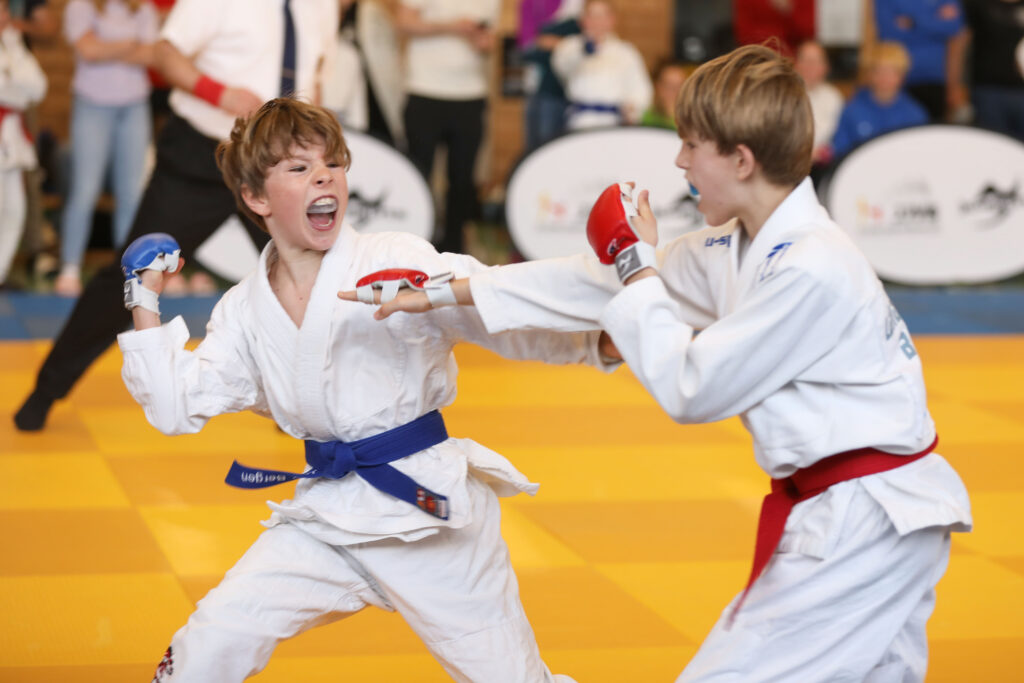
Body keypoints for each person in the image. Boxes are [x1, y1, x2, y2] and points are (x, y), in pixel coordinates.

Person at [345, 45, 972, 682]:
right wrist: (445, 288)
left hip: (867, 516)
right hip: (863, 512)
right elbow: (592, 283)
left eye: (691, 145)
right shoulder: (739, 245)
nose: (679, 162)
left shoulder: (810, 267)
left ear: (742, 160)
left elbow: (691, 388)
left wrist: (636, 263)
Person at [120, 97, 598, 682]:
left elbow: (486, 304)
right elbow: (176, 406)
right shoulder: (243, 309)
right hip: (328, 514)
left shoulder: (392, 258)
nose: (324, 177)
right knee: (214, 638)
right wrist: (143, 298)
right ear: (256, 197)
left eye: (333, 164)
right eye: (299, 168)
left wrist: (594, 340)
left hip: (427, 517)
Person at [13, 0, 337, 431]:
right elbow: (166, 53)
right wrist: (220, 94)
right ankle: (46, 390)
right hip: (203, 152)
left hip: (280, 164)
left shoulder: (322, 6)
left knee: (313, 278)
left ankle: (302, 401)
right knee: (133, 272)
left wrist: (314, 150)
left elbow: (315, 76)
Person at [54, 0, 160, 297]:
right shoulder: (82, 5)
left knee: (131, 192)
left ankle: (129, 270)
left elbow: (151, 54)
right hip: (92, 106)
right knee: (85, 189)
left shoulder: (142, 7)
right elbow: (88, 51)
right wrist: (131, 44)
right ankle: (70, 267)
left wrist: (106, 47)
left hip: (134, 106)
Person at [396, 0, 498, 255]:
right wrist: (453, 27)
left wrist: (482, 42)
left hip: (470, 95)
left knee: (463, 180)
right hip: (424, 91)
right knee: (419, 173)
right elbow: (404, 22)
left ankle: (454, 249)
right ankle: (414, 242)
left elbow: (490, 42)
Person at [0, 0, 46, 286]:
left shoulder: (13, 42)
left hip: (12, 137)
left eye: (6, 9)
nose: (5, 15)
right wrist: (16, 85)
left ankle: (1, 273)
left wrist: (12, 79)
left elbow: (38, 87)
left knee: (15, 209)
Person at [551, 0, 652, 130]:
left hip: (615, 122)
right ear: (582, 20)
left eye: (602, 16)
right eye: (591, 16)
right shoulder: (570, 47)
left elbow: (640, 88)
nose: (597, 21)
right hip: (581, 120)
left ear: (612, 19)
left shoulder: (626, 52)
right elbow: (563, 66)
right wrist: (586, 49)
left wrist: (633, 110)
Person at [831, 41, 928, 159]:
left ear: (902, 76)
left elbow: (919, 154)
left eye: (892, 72)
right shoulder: (851, 111)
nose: (885, 78)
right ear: (869, 74)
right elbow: (840, 151)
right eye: (879, 71)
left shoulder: (914, 114)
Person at [871, 0, 965, 121]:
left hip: (935, 77)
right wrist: (933, 20)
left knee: (933, 129)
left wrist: (914, 22)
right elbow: (888, 33)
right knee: (899, 129)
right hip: (897, 78)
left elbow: (954, 26)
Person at [948, 0, 1024, 140]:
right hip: (988, 91)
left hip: (1020, 92)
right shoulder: (979, 4)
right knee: (993, 142)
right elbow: (959, 44)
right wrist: (954, 86)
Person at [519, 0, 582, 151]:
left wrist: (561, 44)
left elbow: (581, 45)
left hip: (565, 92)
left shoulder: (576, 7)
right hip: (538, 86)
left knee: (553, 148)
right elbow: (526, 47)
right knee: (535, 149)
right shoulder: (530, 3)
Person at [793, 39, 844, 166]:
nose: (810, 66)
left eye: (815, 61)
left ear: (826, 67)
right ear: (796, 64)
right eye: (805, 60)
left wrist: (823, 153)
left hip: (824, 164)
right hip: (787, 163)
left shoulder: (834, 97)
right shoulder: (783, 95)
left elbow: (840, 136)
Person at [641, 59, 689, 130]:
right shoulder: (647, 118)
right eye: (669, 86)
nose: (675, 91)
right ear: (658, 87)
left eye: (680, 85)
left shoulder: (695, 118)